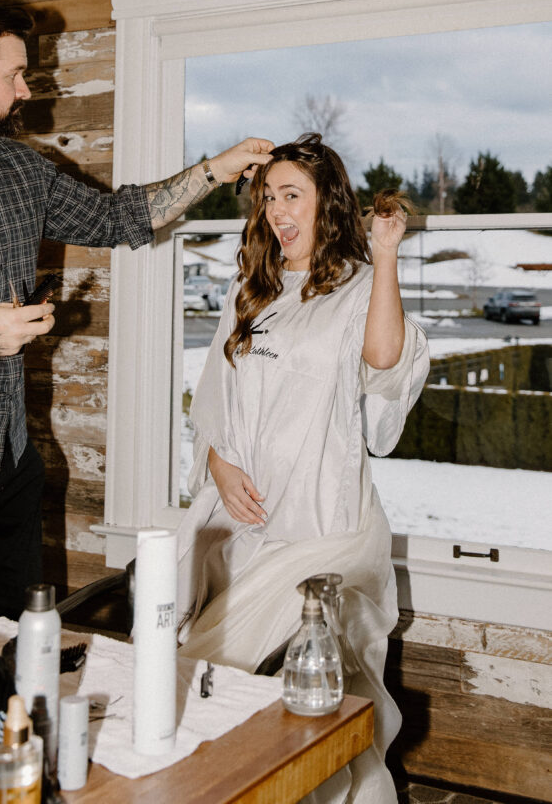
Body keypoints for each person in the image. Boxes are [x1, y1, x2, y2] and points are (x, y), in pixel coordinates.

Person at [0, 0, 274, 620]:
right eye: (12, 74)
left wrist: (215, 171)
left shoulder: (21, 169)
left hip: (10, 462)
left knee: (8, 651)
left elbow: (120, 217)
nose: (26, 89)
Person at [176, 134, 429, 803]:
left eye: (292, 195)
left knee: (306, 705)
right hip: (243, 527)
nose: (276, 209)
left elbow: (383, 363)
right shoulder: (249, 292)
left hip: (320, 527)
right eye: (267, 196)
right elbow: (213, 399)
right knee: (218, 693)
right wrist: (218, 464)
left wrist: (383, 257)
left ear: (328, 205)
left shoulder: (354, 290)